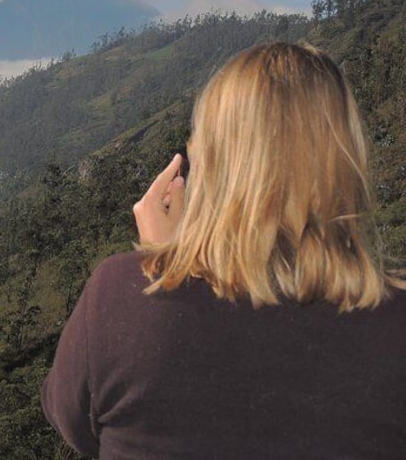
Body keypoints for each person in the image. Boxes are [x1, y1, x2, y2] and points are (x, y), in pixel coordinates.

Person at [41, 42, 406, 459]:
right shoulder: (395, 327)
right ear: (347, 162)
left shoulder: (118, 296)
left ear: (211, 164)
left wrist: (164, 266)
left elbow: (75, 422)